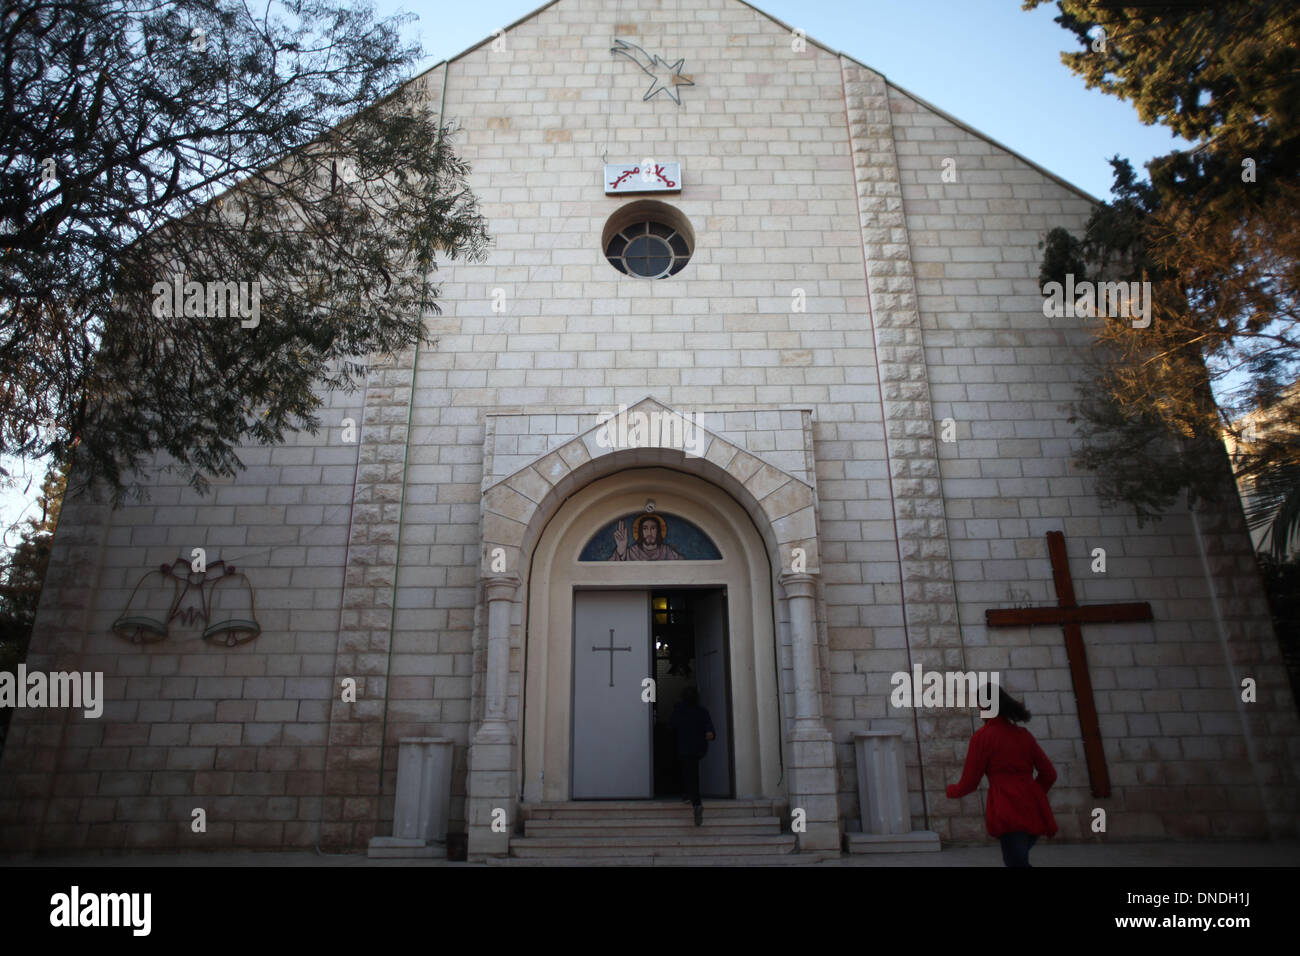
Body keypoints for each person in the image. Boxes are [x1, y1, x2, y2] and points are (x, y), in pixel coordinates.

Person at [946, 685, 1057, 867]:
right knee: (1018, 861)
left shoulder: (982, 737)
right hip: (1034, 808)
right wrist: (1034, 793)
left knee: (1016, 863)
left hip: (1008, 808)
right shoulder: (1024, 735)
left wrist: (951, 791)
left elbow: (970, 782)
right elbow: (1049, 774)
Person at [669, 686, 715, 826]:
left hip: (684, 748)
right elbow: (711, 732)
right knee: (691, 773)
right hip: (698, 748)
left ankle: (696, 804)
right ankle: (688, 794)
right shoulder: (702, 711)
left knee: (689, 773)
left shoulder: (679, 710)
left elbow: (671, 726)